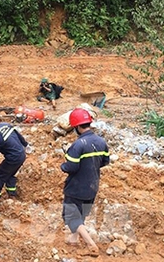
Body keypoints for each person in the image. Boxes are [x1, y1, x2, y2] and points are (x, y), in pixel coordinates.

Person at [61, 108, 109, 257]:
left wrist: (63, 163)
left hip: (77, 187)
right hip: (93, 185)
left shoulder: (78, 145)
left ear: (76, 127)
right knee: (81, 214)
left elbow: (71, 167)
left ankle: (91, 245)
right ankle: (73, 238)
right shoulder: (101, 142)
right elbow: (104, 161)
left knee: (70, 216)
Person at [0, 111, 29, 200]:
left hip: (13, 157)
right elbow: (20, 137)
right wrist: (25, 145)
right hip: (21, 154)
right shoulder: (6, 125)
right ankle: (12, 194)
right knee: (9, 174)